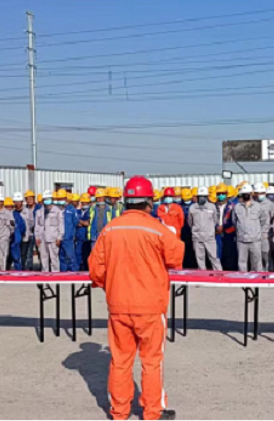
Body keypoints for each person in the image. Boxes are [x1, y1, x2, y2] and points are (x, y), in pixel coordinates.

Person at [89, 176, 183, 421]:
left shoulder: (110, 229)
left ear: (126, 201)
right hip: (150, 306)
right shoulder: (156, 228)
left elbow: (95, 269)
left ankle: (119, 412)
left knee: (120, 361)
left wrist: (112, 287)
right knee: (151, 361)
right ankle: (152, 412)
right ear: (149, 202)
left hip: (119, 306)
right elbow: (176, 258)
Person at [232, 184, 267, 271]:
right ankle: (243, 279)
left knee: (257, 262)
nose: (246, 195)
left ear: (251, 194)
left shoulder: (258, 206)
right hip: (241, 240)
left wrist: (259, 233)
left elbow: (263, 221)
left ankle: (258, 278)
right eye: (244, 194)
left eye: (248, 193)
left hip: (255, 240)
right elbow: (234, 221)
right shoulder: (237, 207)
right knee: (242, 262)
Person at [187, 186, 221, 270]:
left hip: (209, 238)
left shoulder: (212, 207)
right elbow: (190, 222)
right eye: (200, 196)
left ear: (207, 197)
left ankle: (219, 274)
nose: (202, 198)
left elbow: (215, 220)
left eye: (204, 196)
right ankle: (202, 276)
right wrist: (196, 230)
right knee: (200, 259)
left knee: (214, 258)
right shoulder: (192, 208)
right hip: (197, 238)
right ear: (197, 197)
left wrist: (209, 230)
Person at [36, 190, 64, 273]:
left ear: (52, 199)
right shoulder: (39, 212)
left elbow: (61, 226)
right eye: (45, 199)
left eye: (49, 199)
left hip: (53, 239)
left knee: (54, 258)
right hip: (42, 239)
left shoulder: (57, 211)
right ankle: (45, 274)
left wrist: (59, 237)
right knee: (43, 258)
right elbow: (37, 226)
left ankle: (55, 274)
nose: (47, 201)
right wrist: (37, 237)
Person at [60, 192, 81, 272]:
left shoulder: (72, 210)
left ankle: (74, 271)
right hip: (60, 237)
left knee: (70, 256)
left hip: (68, 237)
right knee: (62, 256)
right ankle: (63, 272)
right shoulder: (61, 209)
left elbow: (76, 222)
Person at [7, 197, 27, 270]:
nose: (9, 208)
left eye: (10, 206)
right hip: (5, 240)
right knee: (6, 258)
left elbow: (22, 226)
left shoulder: (16, 215)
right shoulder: (3, 215)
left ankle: (18, 272)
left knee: (16, 257)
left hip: (15, 240)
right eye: (7, 206)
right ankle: (6, 272)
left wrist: (19, 234)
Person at [20, 190, 37, 271]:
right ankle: (29, 268)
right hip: (28, 234)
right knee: (28, 253)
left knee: (41, 252)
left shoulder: (39, 208)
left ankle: (42, 268)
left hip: (37, 234)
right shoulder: (24, 209)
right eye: (27, 199)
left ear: (34, 198)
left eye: (30, 198)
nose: (29, 200)